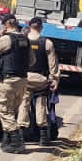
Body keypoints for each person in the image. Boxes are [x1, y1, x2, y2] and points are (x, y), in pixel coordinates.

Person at [0, 14, 31, 153]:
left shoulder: (5, 39)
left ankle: (17, 142)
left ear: (5, 25)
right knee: (12, 111)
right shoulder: (25, 40)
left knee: (4, 111)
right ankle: (6, 141)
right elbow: (31, 61)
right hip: (22, 80)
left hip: (8, 80)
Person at [22, 16, 60, 147]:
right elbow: (52, 64)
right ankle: (43, 137)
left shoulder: (23, 41)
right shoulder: (47, 43)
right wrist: (54, 79)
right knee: (41, 105)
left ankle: (21, 134)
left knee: (23, 104)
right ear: (41, 27)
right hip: (40, 79)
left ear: (29, 26)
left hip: (25, 78)